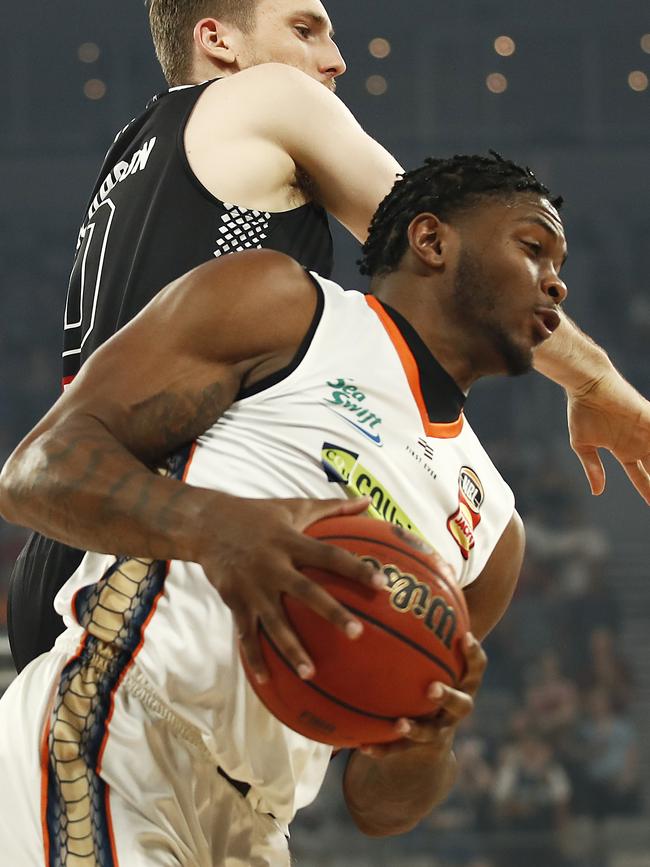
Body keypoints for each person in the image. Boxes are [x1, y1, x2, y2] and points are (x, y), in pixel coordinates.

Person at [8, 0, 650, 676]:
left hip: (73, 535)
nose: (335, 60)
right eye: (304, 30)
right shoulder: (265, 95)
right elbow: (450, 257)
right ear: (218, 41)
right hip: (164, 548)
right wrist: (598, 382)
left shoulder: (136, 152)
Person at [1, 152, 566, 865]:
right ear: (432, 241)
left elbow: (374, 803)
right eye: (533, 246)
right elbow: (37, 471)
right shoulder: (286, 306)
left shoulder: (494, 528)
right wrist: (215, 528)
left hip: (260, 825)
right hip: (118, 729)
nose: (556, 280)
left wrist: (427, 741)